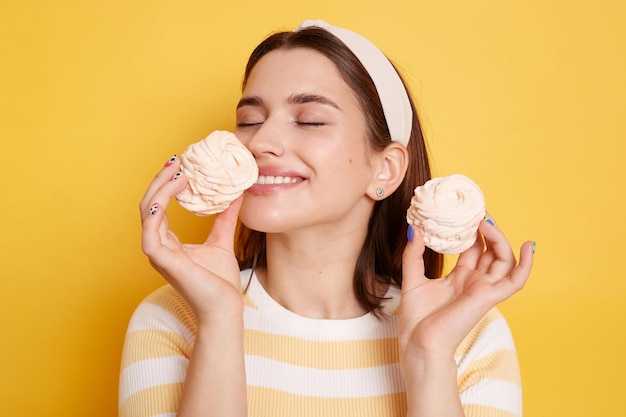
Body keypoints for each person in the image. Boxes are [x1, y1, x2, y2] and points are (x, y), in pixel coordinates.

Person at [119, 20, 535, 417]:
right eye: (250, 120)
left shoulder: (466, 332)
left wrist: (430, 356)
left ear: (385, 170)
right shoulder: (173, 317)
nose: (260, 141)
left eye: (310, 120)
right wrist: (220, 322)